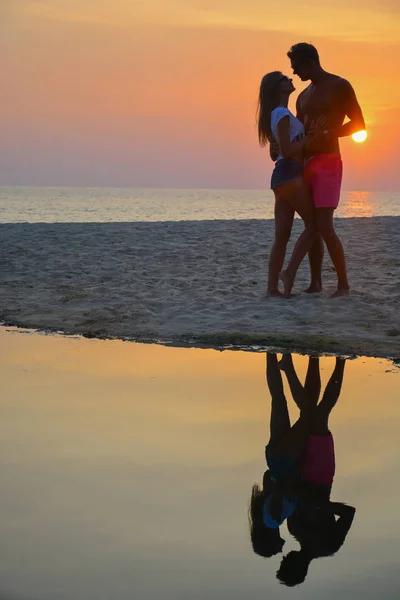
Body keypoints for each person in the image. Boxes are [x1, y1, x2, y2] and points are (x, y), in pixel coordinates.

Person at [288, 43, 366, 297]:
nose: (294, 72)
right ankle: (316, 283)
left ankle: (343, 284)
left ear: (310, 61)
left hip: (329, 161)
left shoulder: (340, 85)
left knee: (324, 224)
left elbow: (359, 124)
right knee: (312, 224)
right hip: (306, 163)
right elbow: (299, 131)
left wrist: (328, 132)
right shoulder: (302, 95)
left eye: (297, 66)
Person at [276, 354, 356, 586]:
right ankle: (338, 360)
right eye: (285, 563)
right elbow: (350, 512)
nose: (285, 557)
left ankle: (313, 357)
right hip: (322, 477)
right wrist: (322, 505)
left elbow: (294, 493)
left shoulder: (294, 528)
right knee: (319, 415)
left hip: (303, 468)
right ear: (296, 566)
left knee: (310, 413)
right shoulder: (328, 545)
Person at [257, 72, 326, 298]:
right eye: (284, 78)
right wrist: (310, 137)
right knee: (315, 226)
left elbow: (275, 151)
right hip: (291, 175)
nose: (290, 79)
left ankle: (272, 289)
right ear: (277, 88)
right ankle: (289, 273)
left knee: (282, 236)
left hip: (281, 177)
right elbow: (286, 151)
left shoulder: (276, 114)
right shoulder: (281, 113)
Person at [248, 353, 313, 557]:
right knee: (278, 399)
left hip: (285, 461)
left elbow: (278, 490)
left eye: (275, 550)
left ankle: (288, 367)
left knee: (310, 416)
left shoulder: (274, 519)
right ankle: (271, 352)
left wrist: (295, 492)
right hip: (274, 458)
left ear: (268, 541)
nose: (281, 549)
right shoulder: (261, 514)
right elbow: (268, 478)